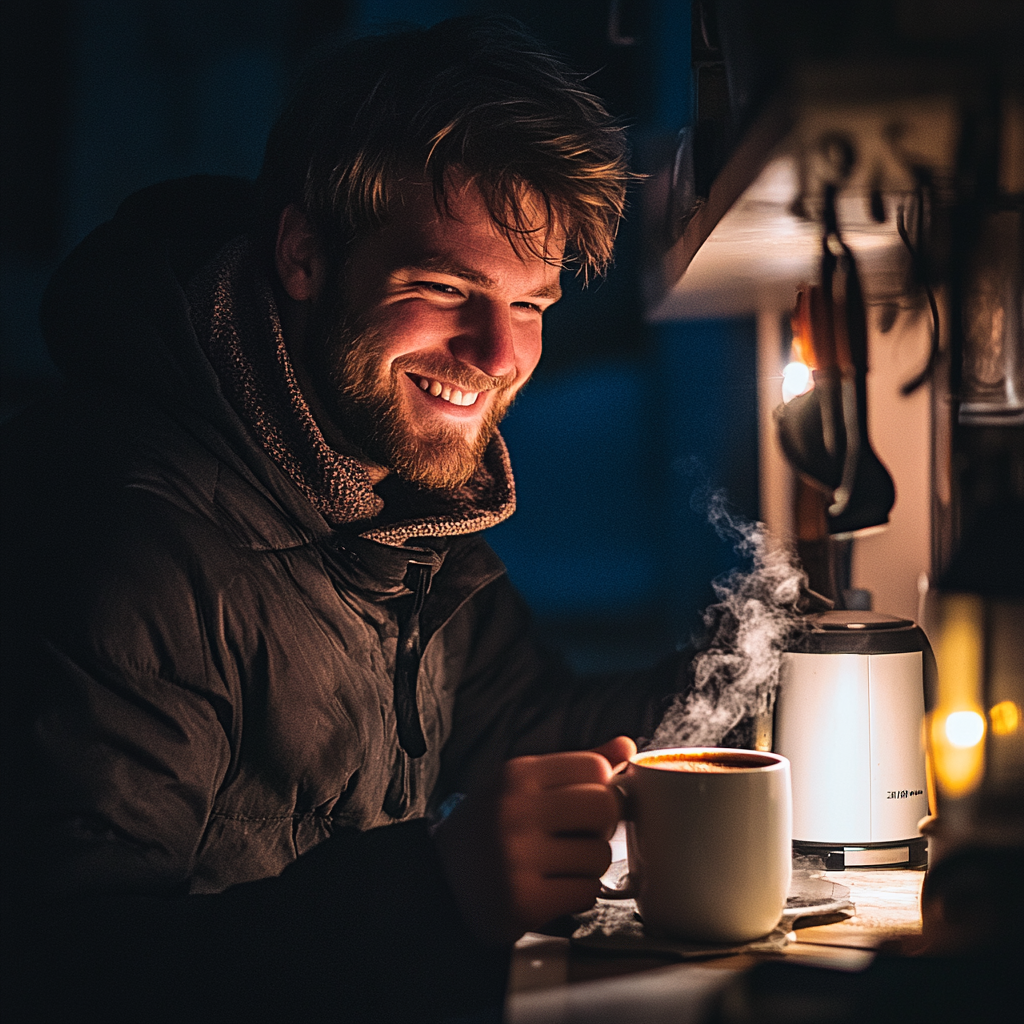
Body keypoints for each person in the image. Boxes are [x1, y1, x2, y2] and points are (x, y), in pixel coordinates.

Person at [1, 17, 689, 1023]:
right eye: (446, 288)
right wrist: (435, 891)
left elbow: (526, 727)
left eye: (530, 304)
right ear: (303, 257)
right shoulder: (124, 544)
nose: (498, 352)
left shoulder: (391, 509)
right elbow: (66, 973)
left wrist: (784, 685)